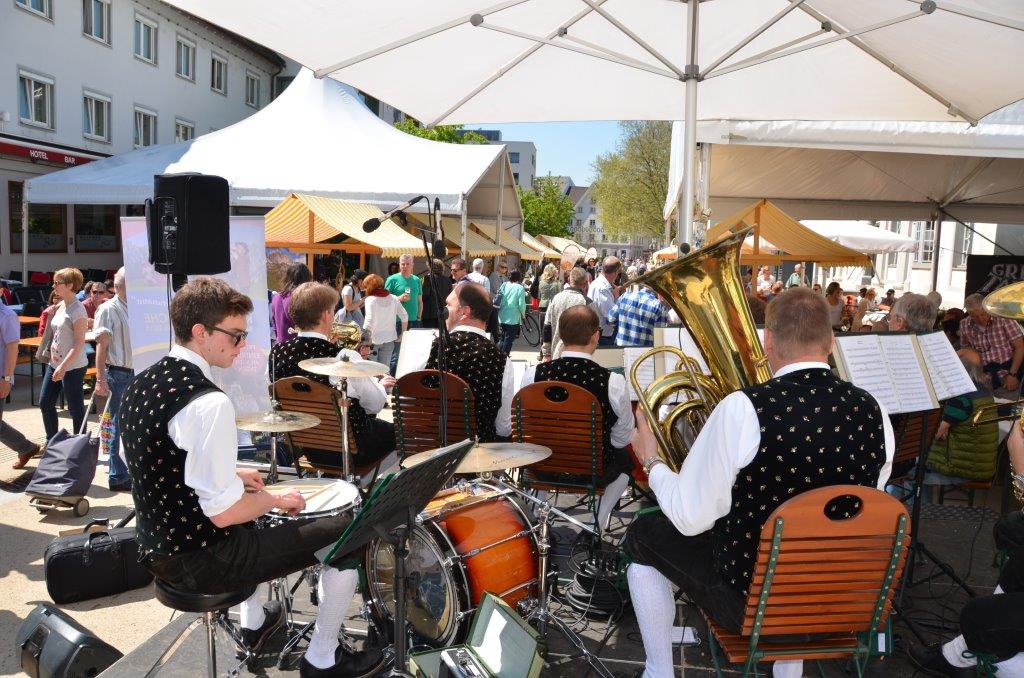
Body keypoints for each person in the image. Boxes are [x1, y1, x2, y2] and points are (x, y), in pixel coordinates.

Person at [121, 278, 384, 678]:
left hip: (156, 548)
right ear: (200, 332)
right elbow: (225, 514)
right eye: (235, 335)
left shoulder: (144, 381)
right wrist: (276, 500)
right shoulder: (208, 402)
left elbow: (148, 460)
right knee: (348, 531)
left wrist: (232, 473)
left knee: (260, 512)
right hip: (203, 560)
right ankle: (323, 659)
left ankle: (256, 622)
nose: (242, 345)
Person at [626, 288, 894, 678]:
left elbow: (689, 518)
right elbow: (870, 506)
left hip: (754, 607)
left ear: (767, 341)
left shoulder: (743, 408)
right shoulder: (875, 410)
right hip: (840, 604)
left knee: (642, 534)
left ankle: (658, 673)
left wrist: (652, 461)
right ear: (831, 342)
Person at [520, 305, 634, 528]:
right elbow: (622, 438)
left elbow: (526, 425)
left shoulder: (533, 375)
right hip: (592, 471)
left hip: (543, 467)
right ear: (596, 336)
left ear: (561, 335)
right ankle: (594, 524)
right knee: (624, 463)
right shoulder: (613, 382)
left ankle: (535, 514)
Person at [270, 282, 396, 468]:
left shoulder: (277, 352)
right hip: (348, 449)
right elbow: (375, 405)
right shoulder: (343, 357)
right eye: (332, 310)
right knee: (401, 434)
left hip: (305, 446)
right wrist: (380, 386)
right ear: (326, 315)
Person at [415, 283, 514, 443]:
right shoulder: (502, 360)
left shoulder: (432, 347)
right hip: (478, 450)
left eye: (448, 305)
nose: (443, 311)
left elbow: (407, 399)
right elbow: (504, 427)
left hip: (431, 447)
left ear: (464, 312)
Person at [92, 267, 133, 491]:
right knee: (118, 423)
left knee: (128, 423)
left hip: (135, 372)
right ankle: (117, 475)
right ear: (118, 286)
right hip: (118, 373)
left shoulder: (135, 306)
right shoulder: (108, 309)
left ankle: (126, 471)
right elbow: (102, 346)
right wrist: (100, 378)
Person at [39, 268, 89, 442]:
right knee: (45, 403)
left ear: (69, 285)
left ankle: (79, 445)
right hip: (54, 363)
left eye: (57, 283)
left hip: (72, 366)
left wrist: (63, 366)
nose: (53, 286)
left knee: (75, 409)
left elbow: (79, 343)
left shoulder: (78, 310)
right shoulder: (61, 305)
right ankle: (52, 442)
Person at [959, 293, 1024, 392]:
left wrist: (1013, 374)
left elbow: (1019, 347)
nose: (980, 319)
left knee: (1007, 401)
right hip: (983, 376)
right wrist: (977, 372)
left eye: (983, 314)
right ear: (969, 313)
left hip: (1008, 373)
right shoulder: (964, 324)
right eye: (975, 316)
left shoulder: (1003, 318)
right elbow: (966, 351)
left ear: (987, 308)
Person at [6, 300, 42, 469]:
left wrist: (6, 378)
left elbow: (13, 348)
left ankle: (26, 447)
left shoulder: (7, 316)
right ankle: (26, 448)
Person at [362, 274, 408, 377]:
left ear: (369, 287)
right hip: (389, 339)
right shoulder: (394, 298)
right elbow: (404, 315)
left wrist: (365, 341)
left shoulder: (370, 299)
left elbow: (369, 321)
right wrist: (403, 334)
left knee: (372, 372)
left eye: (365, 287)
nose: (364, 289)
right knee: (385, 371)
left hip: (373, 340)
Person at [384, 254, 422, 374]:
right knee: (397, 354)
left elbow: (420, 301)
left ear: (412, 265)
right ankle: (393, 378)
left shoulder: (416, 280)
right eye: (402, 264)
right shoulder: (392, 279)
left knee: (412, 352)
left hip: (414, 321)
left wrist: (419, 316)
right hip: (397, 321)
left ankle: (407, 377)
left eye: (407, 264)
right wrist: (399, 298)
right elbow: (384, 300)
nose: (405, 266)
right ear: (399, 265)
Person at [543, 267, 590, 360]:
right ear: (585, 283)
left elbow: (547, 327)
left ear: (569, 279)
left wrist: (546, 353)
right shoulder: (587, 303)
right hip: (579, 356)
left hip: (556, 354)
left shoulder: (555, 299)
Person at [607, 283, 669, 348]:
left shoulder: (625, 296)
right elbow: (660, 339)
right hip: (644, 352)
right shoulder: (660, 307)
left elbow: (610, 320)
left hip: (620, 349)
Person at [271, 263, 312, 344]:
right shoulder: (302, 298)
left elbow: (275, 327)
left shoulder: (276, 298)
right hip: (299, 347)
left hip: (281, 347)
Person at [589, 256, 621, 347]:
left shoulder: (599, 284)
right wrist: (617, 297)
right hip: (604, 336)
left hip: (602, 334)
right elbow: (611, 317)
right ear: (615, 272)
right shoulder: (602, 288)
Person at [496, 270, 526, 356]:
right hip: (513, 318)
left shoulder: (504, 285)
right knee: (508, 339)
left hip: (502, 316)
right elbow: (521, 304)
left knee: (502, 338)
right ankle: (504, 357)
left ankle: (499, 356)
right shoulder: (520, 288)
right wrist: (523, 314)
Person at [420, 259, 453, 330]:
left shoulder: (427, 278)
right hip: (443, 314)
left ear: (430, 267)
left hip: (429, 315)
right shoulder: (448, 280)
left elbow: (424, 295)